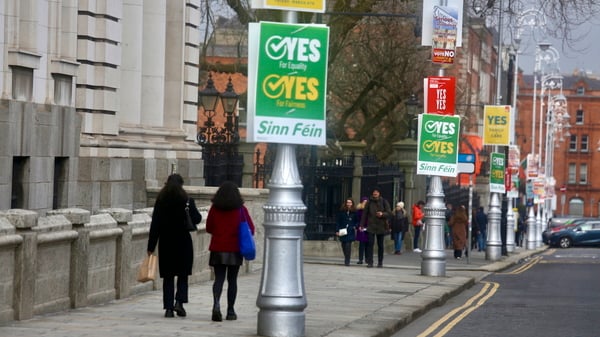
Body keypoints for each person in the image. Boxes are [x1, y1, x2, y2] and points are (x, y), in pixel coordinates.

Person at [147, 173, 202, 318]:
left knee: (168, 277)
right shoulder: (187, 201)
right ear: (182, 185)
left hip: (166, 243)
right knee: (183, 275)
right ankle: (180, 302)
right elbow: (197, 219)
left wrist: (151, 246)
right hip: (183, 243)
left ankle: (169, 308)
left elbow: (155, 225)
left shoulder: (161, 201)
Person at [206, 181, 255, 322]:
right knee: (232, 280)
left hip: (217, 248)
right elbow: (250, 228)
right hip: (234, 249)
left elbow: (209, 227)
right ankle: (231, 310)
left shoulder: (215, 208)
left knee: (219, 279)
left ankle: (216, 304)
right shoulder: (241, 209)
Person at [359, 187, 392, 268]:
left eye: (376, 192)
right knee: (370, 244)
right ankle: (370, 262)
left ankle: (380, 262)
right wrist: (361, 225)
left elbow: (389, 213)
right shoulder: (369, 202)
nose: (375, 194)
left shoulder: (384, 202)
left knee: (380, 245)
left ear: (379, 193)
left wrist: (382, 214)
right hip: (371, 226)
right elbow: (364, 214)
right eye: (374, 192)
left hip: (381, 226)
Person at [336, 198, 358, 266]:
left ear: (352, 204)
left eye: (350, 202)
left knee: (348, 245)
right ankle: (346, 257)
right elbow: (338, 222)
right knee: (343, 245)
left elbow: (357, 221)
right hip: (343, 230)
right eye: (347, 202)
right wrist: (337, 230)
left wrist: (355, 226)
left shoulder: (354, 212)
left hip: (350, 231)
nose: (348, 204)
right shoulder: (342, 212)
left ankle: (347, 260)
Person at [355, 197, 369, 264]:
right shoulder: (359, 211)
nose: (365, 203)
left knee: (368, 244)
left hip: (368, 228)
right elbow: (357, 219)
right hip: (361, 228)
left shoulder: (369, 211)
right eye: (364, 202)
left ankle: (367, 258)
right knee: (361, 244)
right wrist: (358, 226)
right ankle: (360, 259)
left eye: (366, 202)